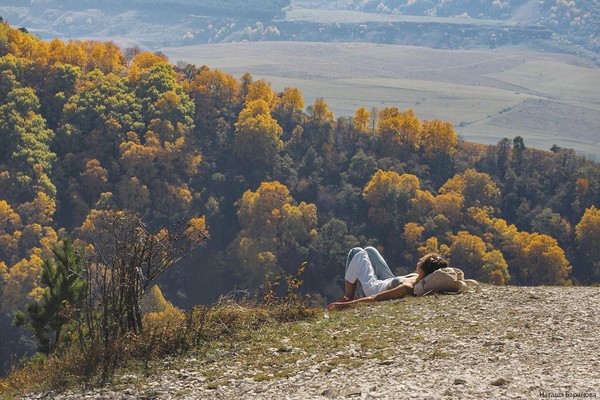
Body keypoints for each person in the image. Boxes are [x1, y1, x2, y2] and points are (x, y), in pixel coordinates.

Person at [327, 247, 448, 311]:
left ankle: (348, 296)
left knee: (356, 252)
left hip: (374, 288)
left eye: (421, 260)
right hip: (388, 281)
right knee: (370, 250)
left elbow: (374, 298)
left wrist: (345, 306)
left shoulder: (407, 288)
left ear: (421, 271)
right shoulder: (422, 279)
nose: (419, 259)